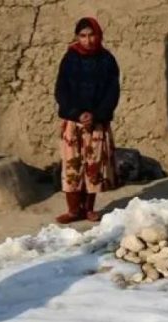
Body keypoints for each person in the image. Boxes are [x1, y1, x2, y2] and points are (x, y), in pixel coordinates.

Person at [54, 17, 120, 223]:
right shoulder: (70, 59)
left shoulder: (107, 60)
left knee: (94, 166)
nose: (88, 40)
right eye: (83, 36)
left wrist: (96, 115)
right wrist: (76, 113)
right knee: (73, 165)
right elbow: (61, 90)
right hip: (73, 123)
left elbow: (112, 92)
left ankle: (89, 208)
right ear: (77, 37)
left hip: (97, 123)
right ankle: (73, 210)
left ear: (98, 35)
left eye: (92, 35)